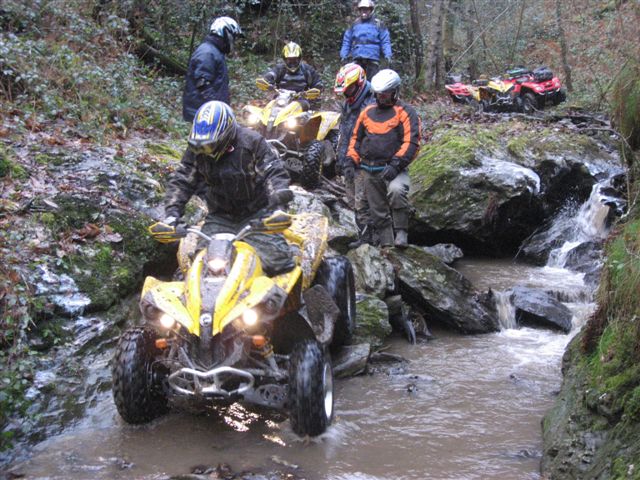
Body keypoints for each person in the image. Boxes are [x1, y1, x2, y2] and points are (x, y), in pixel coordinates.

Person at [163, 101, 295, 276]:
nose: (206, 151)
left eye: (211, 145)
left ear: (226, 135)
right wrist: (172, 215)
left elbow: (273, 174)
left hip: (257, 214)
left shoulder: (252, 142)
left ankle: (294, 297)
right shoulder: (197, 148)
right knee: (201, 266)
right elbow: (183, 180)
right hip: (220, 216)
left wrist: (278, 208)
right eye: (202, 147)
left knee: (279, 264)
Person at [346, 69, 420, 248]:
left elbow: (411, 142)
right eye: (379, 94)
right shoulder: (367, 112)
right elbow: (356, 139)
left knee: (396, 191)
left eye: (386, 94)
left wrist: (396, 164)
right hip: (369, 168)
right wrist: (351, 160)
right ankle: (387, 245)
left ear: (395, 92)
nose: (382, 98)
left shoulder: (406, 112)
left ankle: (401, 231)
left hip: (394, 167)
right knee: (377, 210)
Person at [333, 63, 376, 248]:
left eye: (349, 89)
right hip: (348, 158)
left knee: (362, 201)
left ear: (359, 85)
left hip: (364, 162)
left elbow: (369, 138)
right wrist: (340, 158)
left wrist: (356, 159)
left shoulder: (371, 104)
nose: (347, 93)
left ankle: (369, 241)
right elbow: (344, 131)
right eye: (345, 90)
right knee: (351, 199)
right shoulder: (348, 104)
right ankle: (363, 235)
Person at [182, 17, 243, 123]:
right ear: (225, 33)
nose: (234, 41)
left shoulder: (214, 52)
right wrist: (216, 107)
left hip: (208, 112)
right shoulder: (207, 52)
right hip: (203, 113)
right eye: (233, 37)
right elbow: (203, 84)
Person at [258, 42, 323, 109]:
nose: (292, 62)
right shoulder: (280, 69)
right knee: (270, 106)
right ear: (284, 59)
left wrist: (314, 91)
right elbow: (271, 75)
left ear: (299, 58)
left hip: (301, 100)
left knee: (305, 106)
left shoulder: (307, 70)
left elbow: (318, 83)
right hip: (281, 98)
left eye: (295, 59)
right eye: (289, 60)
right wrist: (266, 82)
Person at [340, 0, 392, 80]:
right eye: (362, 9)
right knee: (356, 83)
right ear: (359, 10)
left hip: (372, 59)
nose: (364, 11)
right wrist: (344, 55)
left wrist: (388, 55)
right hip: (357, 58)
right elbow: (347, 40)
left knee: (373, 83)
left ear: (371, 10)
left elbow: (385, 41)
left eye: (366, 9)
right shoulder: (354, 24)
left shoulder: (378, 24)